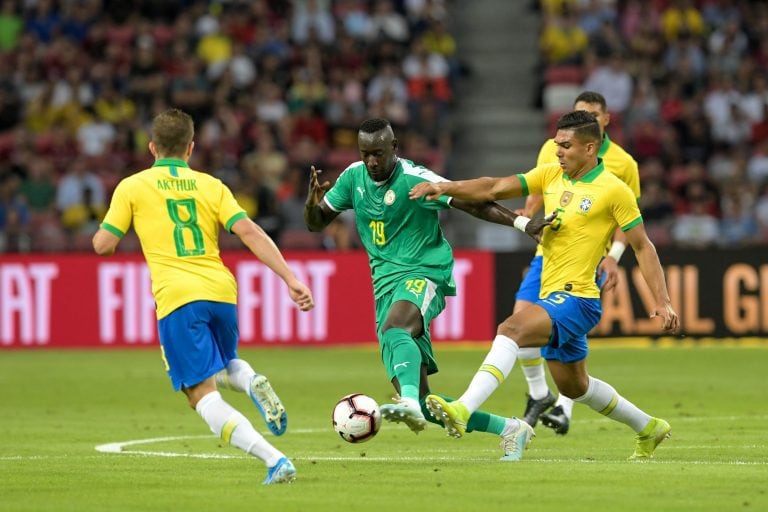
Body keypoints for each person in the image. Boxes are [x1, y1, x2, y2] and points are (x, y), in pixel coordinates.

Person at [410, 110, 679, 461]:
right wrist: (443, 186)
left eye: (566, 146)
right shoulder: (551, 174)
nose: (558, 152)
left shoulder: (614, 189)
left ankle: (462, 408)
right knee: (575, 387)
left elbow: (643, 246)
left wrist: (663, 300)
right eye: (557, 145)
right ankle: (649, 428)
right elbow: (493, 186)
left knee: (511, 328)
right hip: (551, 293)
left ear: (590, 147)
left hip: (579, 298)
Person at [304, 117, 553, 458]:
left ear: (394, 148)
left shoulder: (415, 178)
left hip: (425, 272)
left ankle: (405, 403)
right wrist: (310, 204)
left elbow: (471, 202)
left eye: (378, 153)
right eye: (366, 154)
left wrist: (522, 223)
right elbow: (317, 223)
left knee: (395, 330)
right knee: (425, 401)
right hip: (385, 286)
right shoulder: (352, 178)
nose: (372, 161)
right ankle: (511, 428)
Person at [92, 108, 315, 485]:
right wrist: (290, 278)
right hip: (221, 291)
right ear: (191, 148)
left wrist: (109, 230)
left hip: (178, 297)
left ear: (151, 147)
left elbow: (104, 245)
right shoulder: (212, 186)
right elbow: (250, 232)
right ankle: (249, 381)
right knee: (225, 363)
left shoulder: (132, 186)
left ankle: (274, 460)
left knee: (200, 395)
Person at [515, 91, 641, 435]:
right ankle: (541, 395)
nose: (585, 116)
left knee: (555, 331)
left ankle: (562, 406)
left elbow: (627, 221)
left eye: (592, 113)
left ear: (605, 120)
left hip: (588, 260)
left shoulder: (623, 164)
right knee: (520, 324)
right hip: (547, 254)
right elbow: (539, 187)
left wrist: (613, 258)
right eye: (579, 112)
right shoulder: (553, 147)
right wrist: (527, 215)